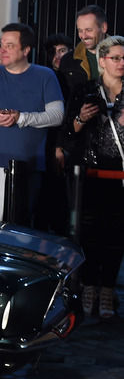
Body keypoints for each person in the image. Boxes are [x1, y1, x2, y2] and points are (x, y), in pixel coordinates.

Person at [0, 23, 64, 225]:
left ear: (26, 50)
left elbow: (57, 115)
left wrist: (22, 118)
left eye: (10, 45)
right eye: (3, 45)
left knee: (21, 228)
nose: (3, 50)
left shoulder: (45, 75)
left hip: (28, 168)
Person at [61, 35, 124, 319]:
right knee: (89, 232)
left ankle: (108, 290)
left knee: (116, 235)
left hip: (121, 176)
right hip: (91, 173)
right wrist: (82, 118)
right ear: (102, 61)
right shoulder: (86, 89)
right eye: (116, 58)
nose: (121, 63)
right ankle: (88, 286)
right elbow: (68, 131)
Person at [59, 5, 109, 96]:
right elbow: (64, 99)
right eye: (80, 30)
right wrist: (78, 110)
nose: (83, 36)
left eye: (88, 30)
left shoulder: (121, 55)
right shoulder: (68, 61)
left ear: (104, 27)